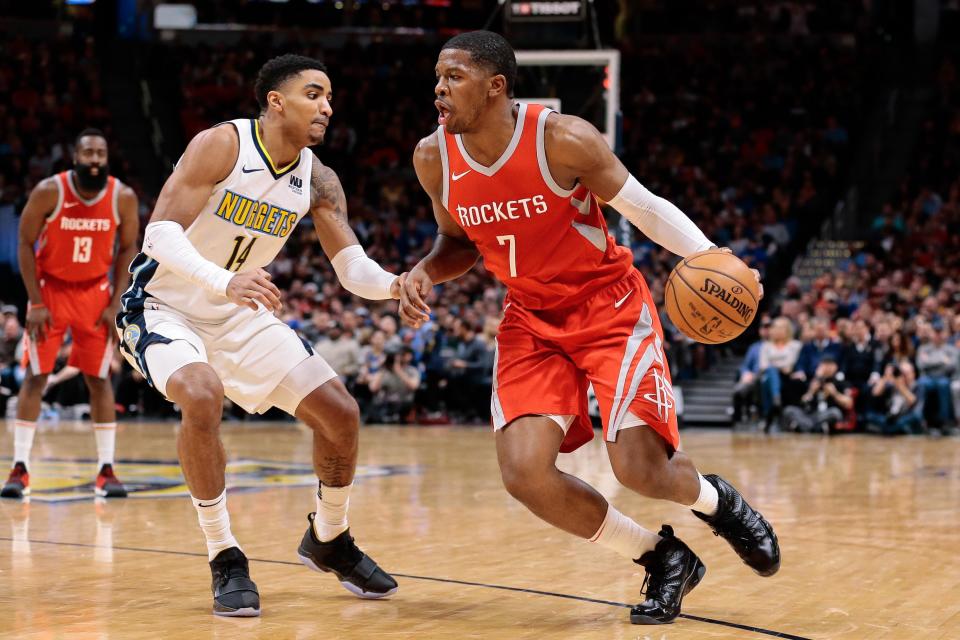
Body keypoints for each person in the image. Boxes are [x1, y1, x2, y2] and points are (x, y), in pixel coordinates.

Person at [398, 31, 779, 625]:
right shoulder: (433, 157)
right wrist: (425, 271)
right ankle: (660, 555)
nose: (438, 89)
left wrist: (713, 256)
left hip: (609, 308)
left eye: (454, 77)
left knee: (640, 469)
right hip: (529, 317)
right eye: (438, 77)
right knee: (524, 474)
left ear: (496, 86)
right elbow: (456, 241)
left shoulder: (563, 138)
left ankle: (717, 502)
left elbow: (645, 207)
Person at [114, 55, 399, 617]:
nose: (327, 106)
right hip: (165, 306)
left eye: (329, 97)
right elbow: (159, 235)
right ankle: (225, 554)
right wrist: (225, 281)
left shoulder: (318, 178)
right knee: (200, 394)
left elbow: (351, 268)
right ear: (276, 101)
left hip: (238, 313)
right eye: (314, 94)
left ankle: (330, 537)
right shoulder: (222, 145)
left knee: (340, 413)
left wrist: (397, 286)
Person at [2, 129, 139, 500]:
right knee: (35, 375)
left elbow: (129, 248)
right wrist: (35, 301)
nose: (94, 159)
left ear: (107, 157)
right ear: (75, 157)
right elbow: (25, 244)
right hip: (51, 290)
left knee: (98, 379)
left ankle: (106, 470)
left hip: (95, 293)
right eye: (88, 153)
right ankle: (20, 468)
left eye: (100, 153)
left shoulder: (121, 197)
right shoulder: (51, 190)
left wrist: (115, 302)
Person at [781, 355, 854, 433]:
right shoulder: (810, 381)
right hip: (809, 415)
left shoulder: (841, 383)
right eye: (825, 364)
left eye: (830, 364)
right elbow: (801, 402)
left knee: (835, 413)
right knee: (788, 410)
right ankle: (812, 427)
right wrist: (811, 391)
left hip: (825, 414)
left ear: (836, 367)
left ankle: (807, 427)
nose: (827, 368)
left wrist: (834, 393)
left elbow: (849, 403)